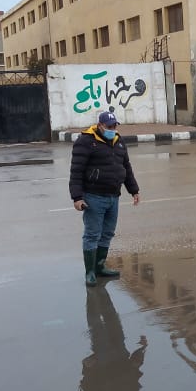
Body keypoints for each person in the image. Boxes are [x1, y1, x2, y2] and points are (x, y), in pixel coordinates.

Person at [70, 110, 140, 287]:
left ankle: (100, 266)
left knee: (107, 233)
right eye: (109, 126)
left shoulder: (118, 141)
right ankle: (90, 272)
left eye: (114, 126)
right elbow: (76, 171)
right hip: (93, 196)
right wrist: (77, 197)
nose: (112, 129)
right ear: (100, 125)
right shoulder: (85, 142)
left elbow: (126, 167)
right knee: (92, 234)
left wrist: (134, 190)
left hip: (113, 196)